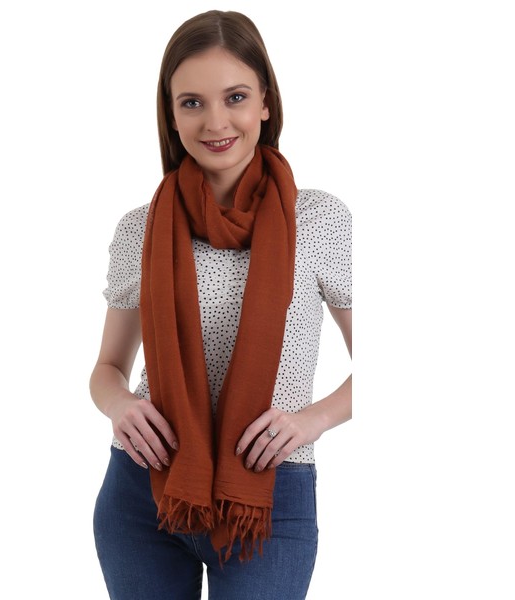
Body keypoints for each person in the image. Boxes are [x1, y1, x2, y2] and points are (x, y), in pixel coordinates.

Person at [90, 9, 351, 600]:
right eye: (192, 103)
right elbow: (107, 368)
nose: (215, 122)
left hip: (270, 492)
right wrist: (120, 405)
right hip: (143, 490)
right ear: (170, 114)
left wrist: (311, 420)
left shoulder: (319, 221)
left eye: (235, 97)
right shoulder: (140, 229)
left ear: (265, 102)